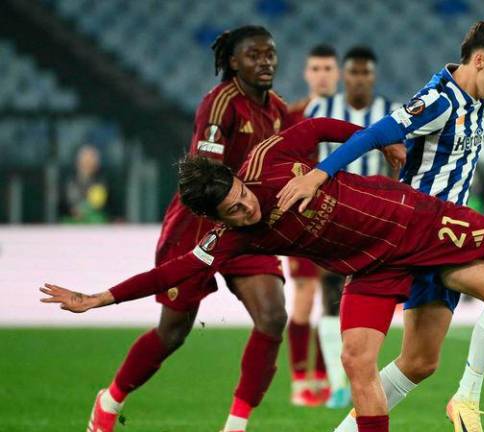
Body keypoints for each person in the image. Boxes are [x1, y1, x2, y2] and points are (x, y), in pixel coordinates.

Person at [41, 118, 484, 432]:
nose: (247, 207)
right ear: (215, 216)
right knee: (357, 359)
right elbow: (179, 269)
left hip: (416, 222)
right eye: (233, 211)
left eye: (242, 196)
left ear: (239, 177)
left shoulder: (269, 160)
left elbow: (318, 129)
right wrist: (100, 297)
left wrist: (380, 143)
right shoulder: (232, 238)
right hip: (369, 270)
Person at [282, 20, 484, 432]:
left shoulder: (481, 95)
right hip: (409, 233)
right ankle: (464, 398)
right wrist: (319, 175)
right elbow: (376, 133)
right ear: (479, 61)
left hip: (449, 235)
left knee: (421, 362)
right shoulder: (438, 100)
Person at [80, 25, 291, 432]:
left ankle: (235, 426)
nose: (264, 62)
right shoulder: (220, 105)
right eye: (254, 55)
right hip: (196, 227)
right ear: (232, 62)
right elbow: (205, 177)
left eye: (270, 54)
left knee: (272, 316)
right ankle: (109, 400)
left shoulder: (278, 109)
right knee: (173, 333)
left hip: (248, 224)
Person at [296, 45, 401, 409]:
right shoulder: (320, 110)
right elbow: (304, 157)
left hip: (377, 217)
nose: (359, 79)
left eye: (365, 73)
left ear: (373, 76)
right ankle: (339, 385)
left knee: (369, 295)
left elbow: (398, 163)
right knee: (329, 291)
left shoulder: (390, 113)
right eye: (353, 72)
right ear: (345, 75)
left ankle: (362, 375)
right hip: (333, 214)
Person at [285, 43, 340, 407]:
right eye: (316, 68)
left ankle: (327, 376)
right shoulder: (294, 116)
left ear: (337, 74)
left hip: (340, 222)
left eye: (327, 68)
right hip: (302, 222)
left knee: (334, 302)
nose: (322, 74)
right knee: (305, 298)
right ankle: (300, 379)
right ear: (307, 74)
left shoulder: (348, 116)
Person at [60, 145, 111, 224]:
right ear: (78, 162)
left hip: (96, 226)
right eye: (86, 160)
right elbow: (61, 205)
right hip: (70, 225)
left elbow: (110, 207)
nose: (88, 163)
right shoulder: (67, 182)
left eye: (92, 159)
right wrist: (71, 211)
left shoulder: (104, 183)